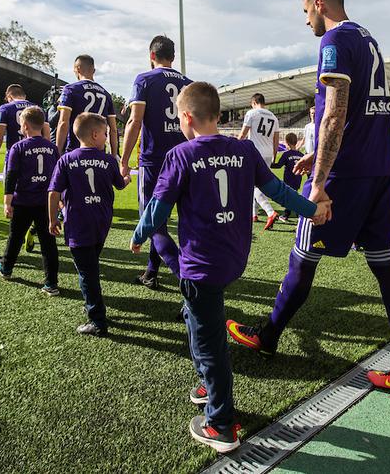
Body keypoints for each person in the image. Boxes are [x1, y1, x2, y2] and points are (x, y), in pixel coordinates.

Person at [226, 0, 390, 402]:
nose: (306, 21)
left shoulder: (333, 40)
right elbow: (356, 115)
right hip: (379, 174)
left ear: (319, 4)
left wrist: (318, 182)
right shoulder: (369, 39)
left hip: (345, 178)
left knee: (303, 258)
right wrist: (316, 156)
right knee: (386, 266)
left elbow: (334, 113)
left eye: (305, 12)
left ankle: (268, 335)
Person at [130, 82, 328, 453]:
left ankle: (221, 424)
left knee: (210, 340)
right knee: (195, 319)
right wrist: (312, 209)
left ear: (184, 117)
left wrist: (139, 236)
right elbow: (279, 193)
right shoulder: (244, 149)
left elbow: (156, 210)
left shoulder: (180, 154)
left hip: (201, 264)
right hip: (233, 258)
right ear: (219, 116)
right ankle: (207, 384)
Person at [119, 35, 193, 290]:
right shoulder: (189, 84)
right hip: (186, 160)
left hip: (154, 161)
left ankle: (185, 278)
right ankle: (151, 271)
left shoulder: (145, 79)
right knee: (185, 220)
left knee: (152, 222)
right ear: (173, 57)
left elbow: (134, 121)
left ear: (152, 56)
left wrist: (124, 160)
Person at [48, 112, 130, 335]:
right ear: (95, 135)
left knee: (87, 273)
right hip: (101, 222)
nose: (107, 137)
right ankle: (95, 309)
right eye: (105, 134)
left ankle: (97, 320)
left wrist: (52, 218)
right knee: (90, 266)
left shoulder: (66, 159)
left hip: (78, 223)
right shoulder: (108, 160)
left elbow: (54, 192)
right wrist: (127, 177)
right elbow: (120, 185)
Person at [0, 106, 59, 293]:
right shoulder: (52, 148)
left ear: (25, 125)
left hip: (23, 201)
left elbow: (11, 176)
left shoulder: (18, 147)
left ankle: (6, 268)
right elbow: (57, 176)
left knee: (15, 237)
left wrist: (7, 201)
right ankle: (51, 283)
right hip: (45, 203)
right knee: (48, 243)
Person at [55, 55, 119, 158]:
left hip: (76, 152)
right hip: (100, 154)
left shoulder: (71, 89)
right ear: (93, 70)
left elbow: (63, 122)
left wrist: (57, 152)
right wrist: (113, 156)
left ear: (78, 69)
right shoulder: (106, 94)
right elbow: (113, 129)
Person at [239, 93, 281, 228]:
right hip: (268, 153)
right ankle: (254, 214)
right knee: (259, 184)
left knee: (254, 184)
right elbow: (276, 140)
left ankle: (270, 212)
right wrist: (274, 156)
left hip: (255, 152)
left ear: (253, 102)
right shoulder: (273, 117)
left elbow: (242, 134)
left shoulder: (252, 113)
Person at [0, 83, 50, 158]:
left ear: (9, 96)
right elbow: (47, 137)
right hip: (34, 155)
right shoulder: (39, 109)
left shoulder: (5, 108)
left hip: (14, 155)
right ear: (25, 96)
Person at [271, 132, 305, 222]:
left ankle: (289, 214)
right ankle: (292, 213)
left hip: (289, 179)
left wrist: (267, 164)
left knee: (288, 197)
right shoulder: (301, 155)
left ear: (287, 142)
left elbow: (278, 166)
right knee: (291, 196)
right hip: (298, 179)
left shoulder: (286, 154)